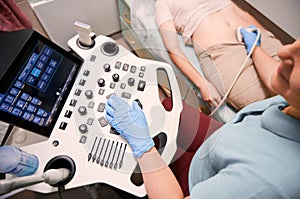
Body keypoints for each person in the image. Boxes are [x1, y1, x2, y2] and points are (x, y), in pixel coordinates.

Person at [105, 38, 300, 198]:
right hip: (223, 141)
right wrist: (255, 47)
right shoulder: (293, 100)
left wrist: (144, 147)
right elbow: (276, 76)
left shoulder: (265, 181)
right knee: (165, 108)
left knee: (125, 165)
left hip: (196, 184)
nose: (284, 52)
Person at [154, 0, 283, 111]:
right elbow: (173, 48)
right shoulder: (163, 3)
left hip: (258, 39)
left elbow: (243, 14)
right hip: (224, 54)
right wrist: (202, 84)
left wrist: (265, 34)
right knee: (262, 102)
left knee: (292, 83)